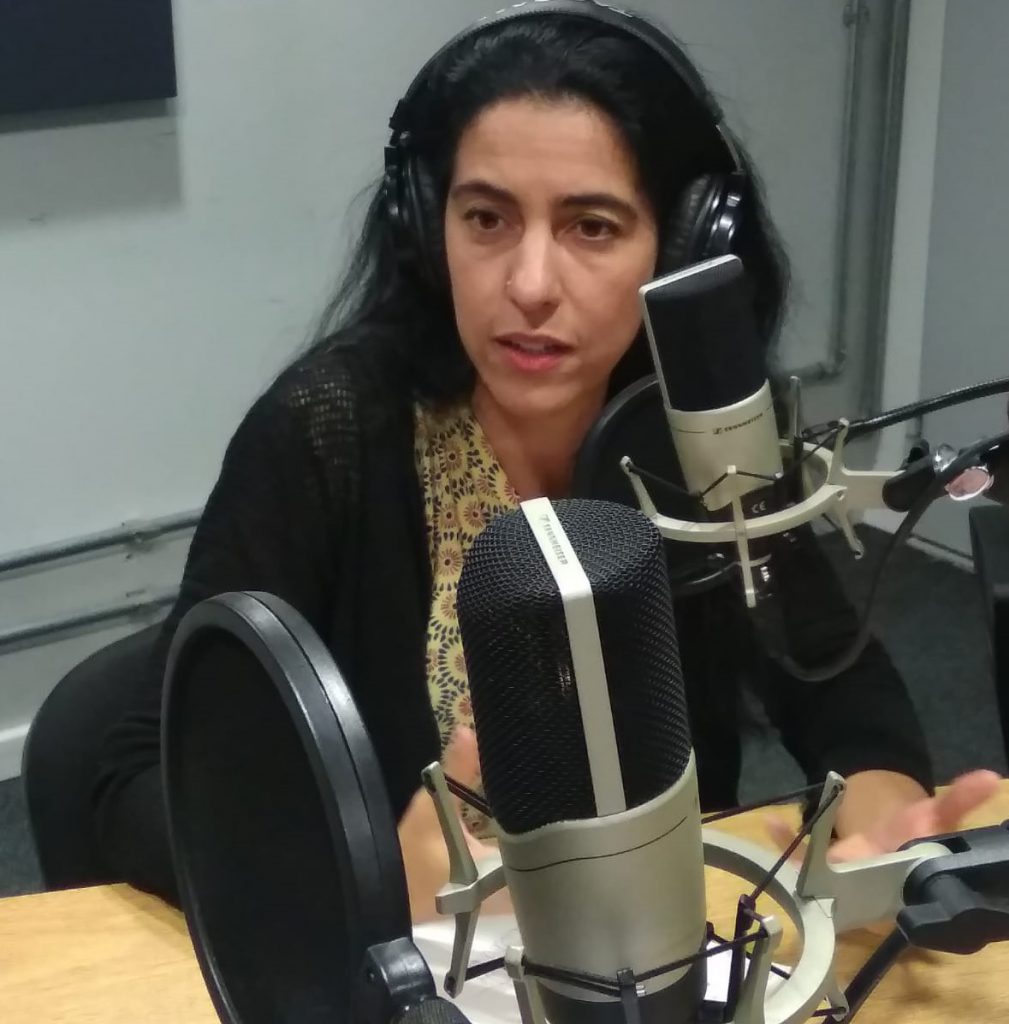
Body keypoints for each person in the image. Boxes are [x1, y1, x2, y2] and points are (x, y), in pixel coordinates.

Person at [92, 1, 998, 922]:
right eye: (486, 218)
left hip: (654, 946)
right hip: (415, 965)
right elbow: (132, 780)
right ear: (426, 229)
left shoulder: (700, 433)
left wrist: (880, 809)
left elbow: (836, 681)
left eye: (591, 227)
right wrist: (363, 873)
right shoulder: (328, 433)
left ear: (680, 250)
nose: (528, 285)